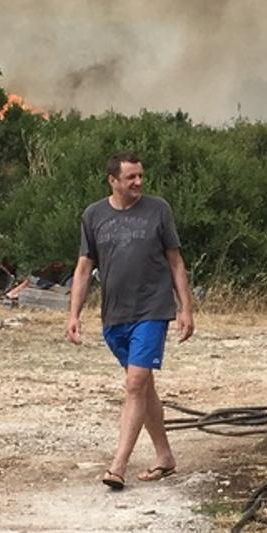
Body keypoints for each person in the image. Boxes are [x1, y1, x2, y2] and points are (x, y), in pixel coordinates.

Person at [66, 152, 194, 491]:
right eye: (130, 177)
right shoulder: (93, 215)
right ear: (113, 180)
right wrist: (74, 314)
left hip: (152, 309)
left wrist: (186, 308)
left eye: (140, 175)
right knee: (143, 385)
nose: (138, 182)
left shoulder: (158, 210)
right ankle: (165, 456)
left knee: (135, 383)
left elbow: (176, 261)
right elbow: (84, 268)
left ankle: (118, 466)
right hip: (115, 315)